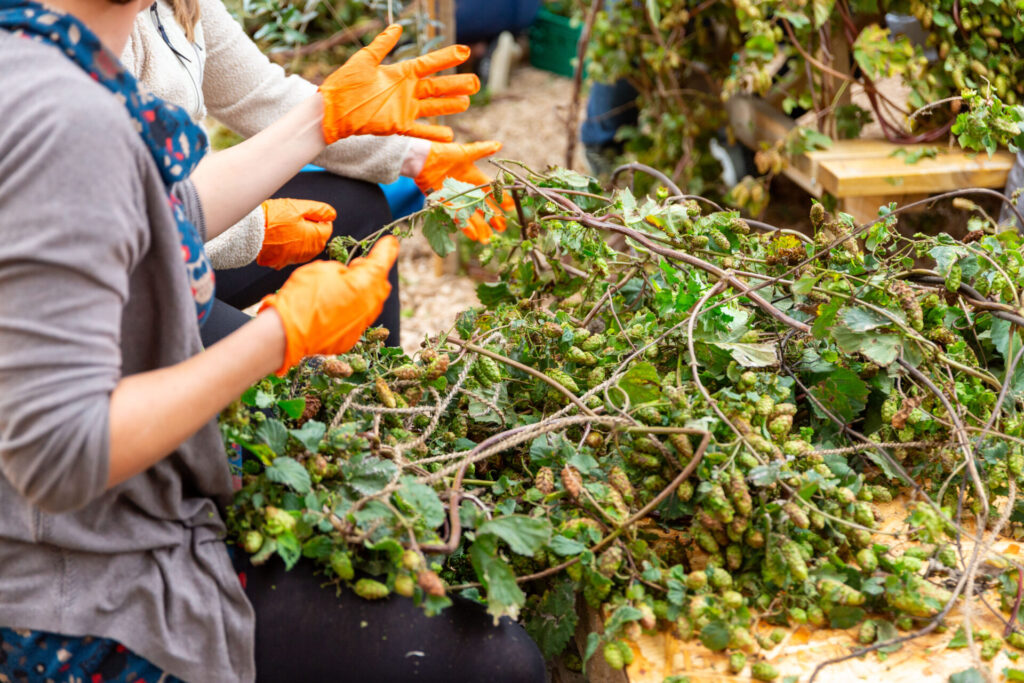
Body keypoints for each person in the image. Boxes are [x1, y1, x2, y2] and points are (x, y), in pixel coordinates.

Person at [0, 3, 544, 681]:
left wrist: (325, 121)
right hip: (83, 591)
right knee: (500, 663)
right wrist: (278, 337)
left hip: (113, 512)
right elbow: (56, 454)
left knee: (411, 531)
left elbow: (153, 210)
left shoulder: (41, 56)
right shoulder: (69, 120)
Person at [124, 0, 514, 347]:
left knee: (358, 207)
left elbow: (258, 95)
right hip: (132, 283)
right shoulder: (100, 25)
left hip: (189, 228)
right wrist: (253, 230)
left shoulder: (186, 5)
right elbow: (120, 215)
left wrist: (414, 156)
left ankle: (381, 389)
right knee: (295, 390)